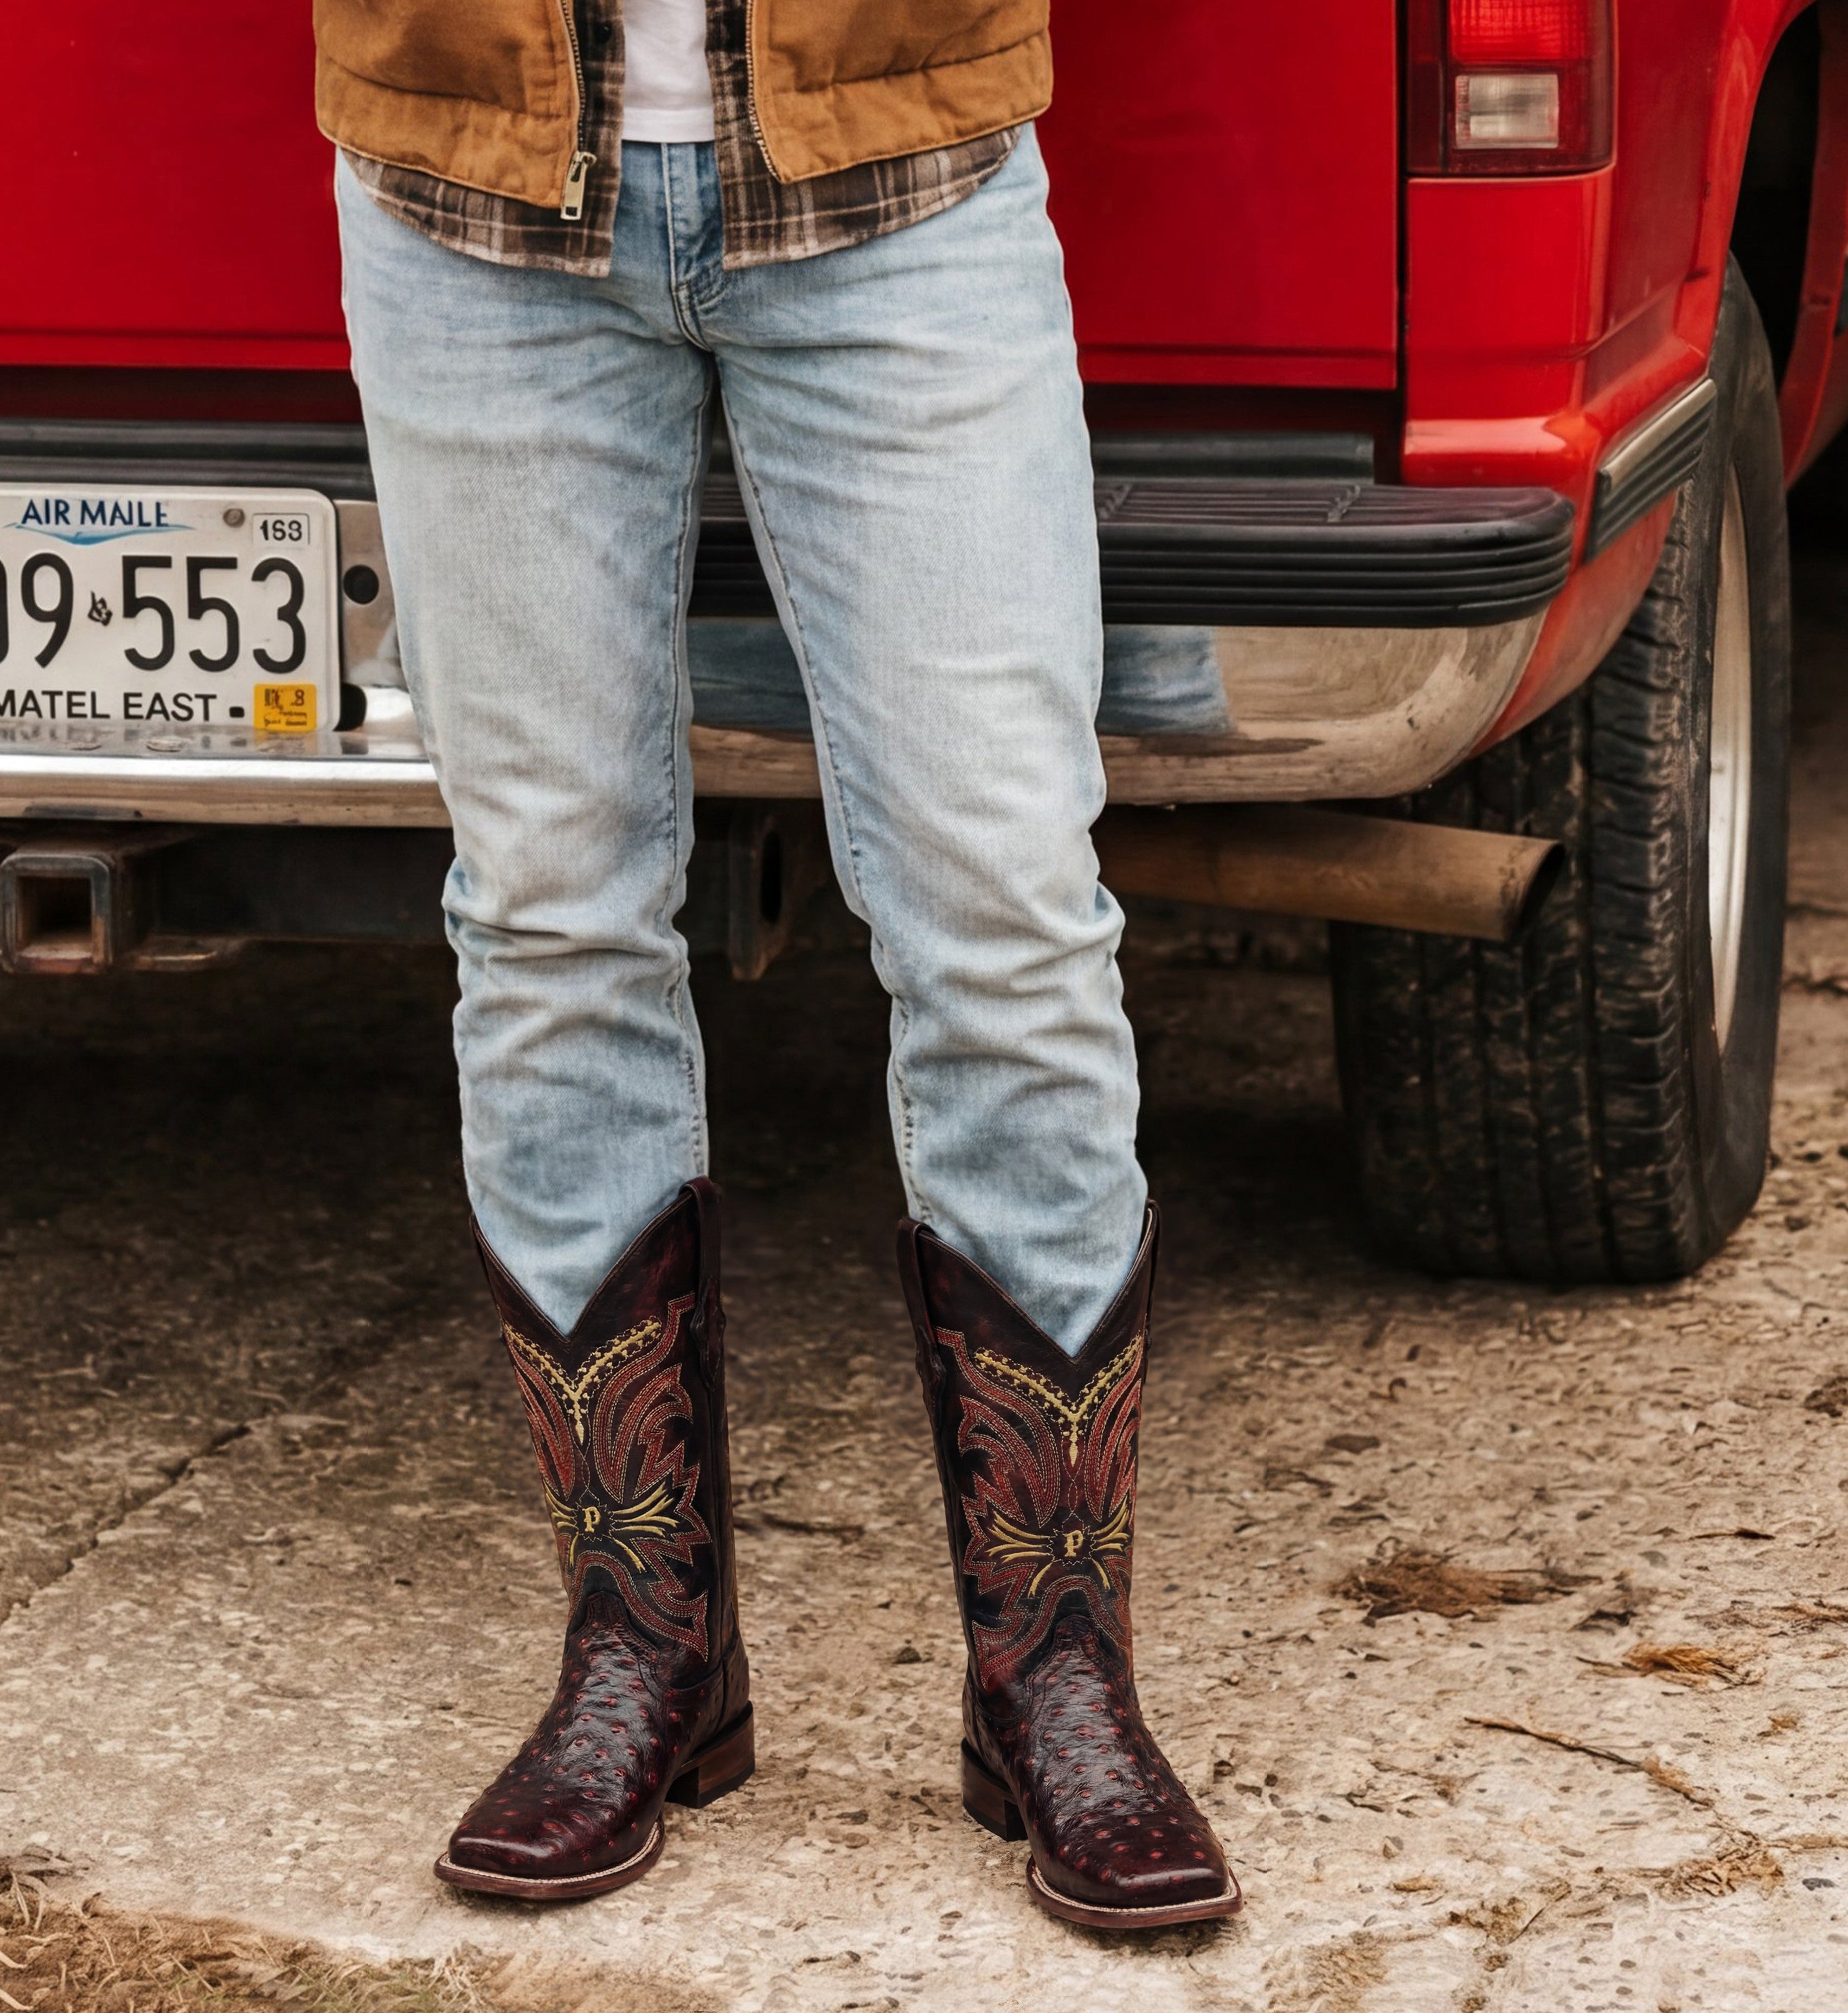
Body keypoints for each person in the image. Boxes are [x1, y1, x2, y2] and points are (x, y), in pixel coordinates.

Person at [316, 0, 1240, 1927]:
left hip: (900, 173)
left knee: (1006, 921)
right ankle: (644, 1659)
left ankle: (1054, 1680)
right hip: (472, 194)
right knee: (550, 920)